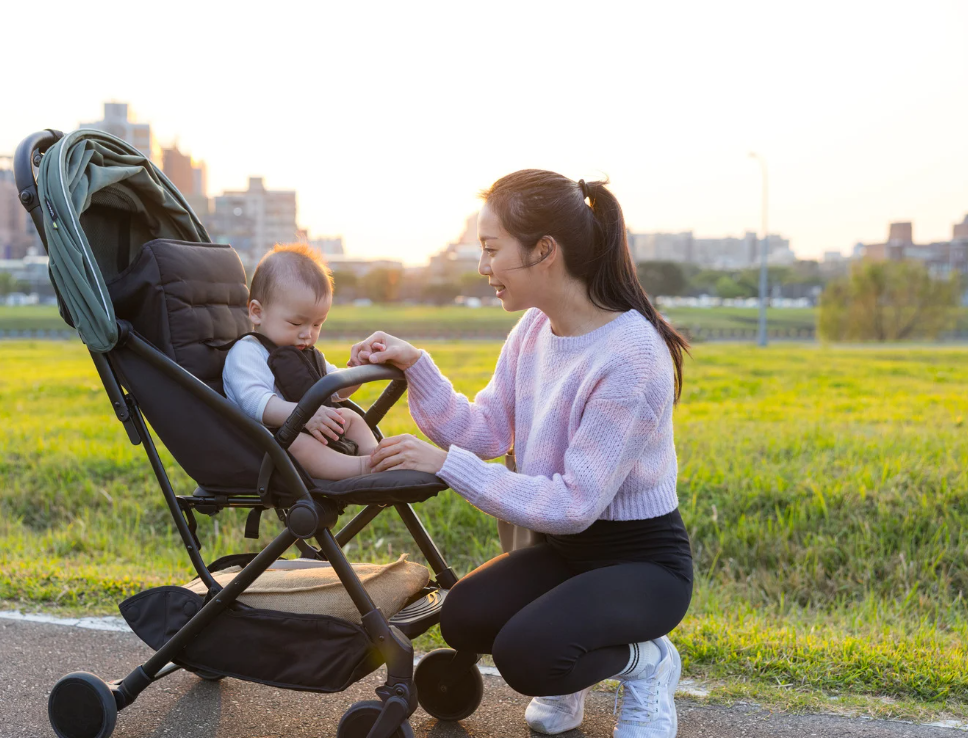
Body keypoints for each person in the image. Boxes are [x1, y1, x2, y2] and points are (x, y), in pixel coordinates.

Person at [349, 171, 693, 737]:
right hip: (567, 555)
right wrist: (416, 365)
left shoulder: (632, 356)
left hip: (641, 563)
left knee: (527, 657)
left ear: (544, 252)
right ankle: (575, 658)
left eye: (491, 250)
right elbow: (483, 431)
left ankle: (648, 662)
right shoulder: (534, 330)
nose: (482, 267)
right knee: (462, 616)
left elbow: (574, 503)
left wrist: (443, 465)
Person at [224, 244, 379, 480]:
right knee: (297, 444)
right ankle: (363, 468)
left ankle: (378, 456)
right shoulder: (247, 353)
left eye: (317, 324)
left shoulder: (303, 353)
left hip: (307, 427)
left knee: (350, 417)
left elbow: (336, 390)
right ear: (257, 312)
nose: (307, 334)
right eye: (296, 324)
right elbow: (255, 402)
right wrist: (304, 414)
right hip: (266, 445)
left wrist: (357, 370)